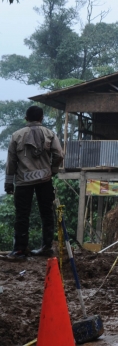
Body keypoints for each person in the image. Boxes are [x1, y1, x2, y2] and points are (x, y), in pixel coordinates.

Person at [4, 106, 64, 261]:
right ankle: (47, 247)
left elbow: (11, 161)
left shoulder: (17, 135)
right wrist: (53, 170)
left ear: (26, 118)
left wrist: (9, 182)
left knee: (22, 215)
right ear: (42, 118)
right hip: (45, 179)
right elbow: (59, 154)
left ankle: (20, 250)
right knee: (46, 213)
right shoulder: (50, 134)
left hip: (24, 181)